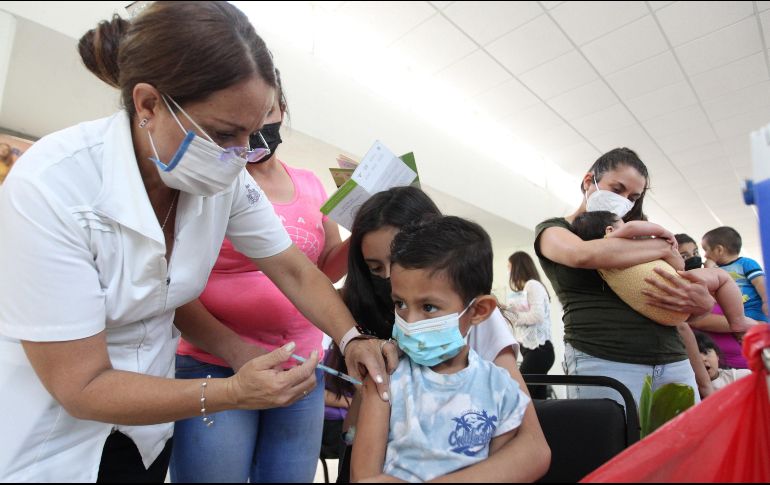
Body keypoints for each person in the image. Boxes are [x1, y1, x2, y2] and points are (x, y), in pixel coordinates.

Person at [0, 3, 388, 481]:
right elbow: (80, 385)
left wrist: (350, 338)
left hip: (148, 427)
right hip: (54, 444)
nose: (241, 155)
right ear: (148, 105)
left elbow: (292, 268)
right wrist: (231, 392)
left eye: (252, 133)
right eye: (225, 134)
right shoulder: (52, 186)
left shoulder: (220, 181)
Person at [169, 69, 349, 482]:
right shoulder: (214, 179)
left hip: (301, 364)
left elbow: (316, 271)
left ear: (281, 110)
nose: (256, 125)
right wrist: (236, 351)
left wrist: (367, 228)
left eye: (266, 110)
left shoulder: (309, 184)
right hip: (216, 362)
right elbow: (176, 284)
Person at [334, 186, 550, 482]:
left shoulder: (497, 383)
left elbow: (529, 451)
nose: (387, 276)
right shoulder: (388, 374)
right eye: (375, 268)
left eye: (429, 307)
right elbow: (359, 458)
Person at [535, 147, 716, 407]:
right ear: (589, 181)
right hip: (603, 357)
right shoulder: (554, 229)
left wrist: (701, 306)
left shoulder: (637, 235)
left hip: (672, 358)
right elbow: (582, 255)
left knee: (686, 447)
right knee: (614, 446)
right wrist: (663, 247)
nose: (624, 200)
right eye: (617, 189)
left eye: (633, 196)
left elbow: (679, 300)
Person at [571, 211, 755, 332]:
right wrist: (663, 232)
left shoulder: (600, 266)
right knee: (721, 277)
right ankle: (738, 319)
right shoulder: (612, 238)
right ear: (609, 229)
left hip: (662, 314)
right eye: (622, 223)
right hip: (676, 292)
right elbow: (634, 227)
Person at [677, 233, 749, 370]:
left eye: (695, 252)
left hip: (745, 363)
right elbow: (701, 321)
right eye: (684, 256)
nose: (694, 258)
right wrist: (755, 324)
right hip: (720, 367)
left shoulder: (716, 285)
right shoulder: (682, 289)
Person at [506, 251, 554, 399]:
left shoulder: (532, 285)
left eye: (509, 267)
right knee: (537, 401)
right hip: (531, 350)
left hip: (539, 351)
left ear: (517, 267)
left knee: (521, 395)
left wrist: (513, 317)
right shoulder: (525, 289)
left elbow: (537, 316)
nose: (508, 271)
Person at [702, 226, 769, 323]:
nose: (705, 255)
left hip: (753, 311)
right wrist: (708, 269)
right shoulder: (715, 269)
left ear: (719, 250)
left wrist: (766, 301)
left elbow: (760, 282)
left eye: (705, 250)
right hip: (730, 315)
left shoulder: (746, 263)